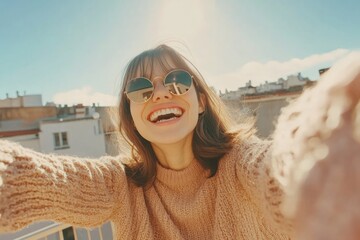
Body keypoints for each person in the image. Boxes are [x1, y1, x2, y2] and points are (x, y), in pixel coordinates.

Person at [0, 44, 359, 240]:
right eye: (140, 89)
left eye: (175, 80)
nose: (158, 94)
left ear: (201, 101)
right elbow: (34, 178)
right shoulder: (118, 186)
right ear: (131, 115)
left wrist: (323, 147)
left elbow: (279, 170)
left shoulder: (241, 163)